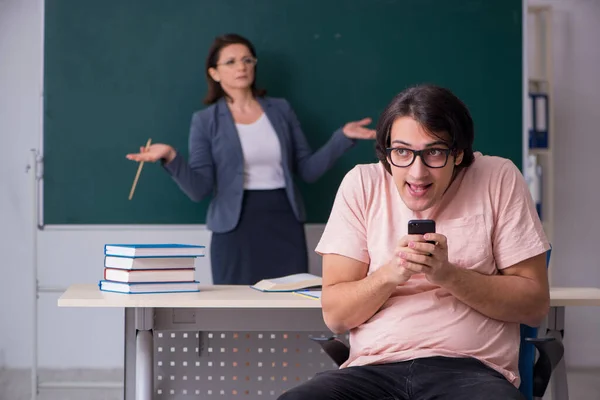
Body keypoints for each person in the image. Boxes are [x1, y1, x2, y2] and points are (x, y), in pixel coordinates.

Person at [279, 84, 551, 400]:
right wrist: (391, 273)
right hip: (372, 370)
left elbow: (534, 305)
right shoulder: (361, 184)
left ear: (458, 152)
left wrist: (448, 275)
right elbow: (336, 316)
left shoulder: (498, 177)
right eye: (403, 152)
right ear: (387, 153)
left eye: (434, 152)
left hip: (470, 371)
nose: (417, 173)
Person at [126, 33, 375, 285]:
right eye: (231, 62)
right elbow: (199, 189)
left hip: (284, 220)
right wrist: (170, 156)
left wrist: (341, 138)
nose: (241, 67)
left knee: (288, 311)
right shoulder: (205, 121)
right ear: (214, 73)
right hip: (235, 228)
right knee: (237, 314)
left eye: (247, 60)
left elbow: (308, 170)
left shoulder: (281, 110)